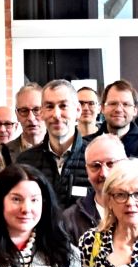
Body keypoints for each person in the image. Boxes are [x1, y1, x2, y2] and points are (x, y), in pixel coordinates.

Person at [16, 79, 89, 209]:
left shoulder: (96, 158)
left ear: (78, 110)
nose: (56, 114)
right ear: (42, 112)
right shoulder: (25, 162)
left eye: (63, 106)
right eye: (49, 106)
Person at [94, 80, 138, 183]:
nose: (118, 109)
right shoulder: (87, 145)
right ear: (102, 108)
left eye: (126, 104)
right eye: (113, 103)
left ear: (135, 110)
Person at [14, 83, 47, 151]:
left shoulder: (63, 150)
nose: (31, 118)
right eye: (24, 110)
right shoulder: (2, 153)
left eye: (37, 110)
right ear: (17, 114)